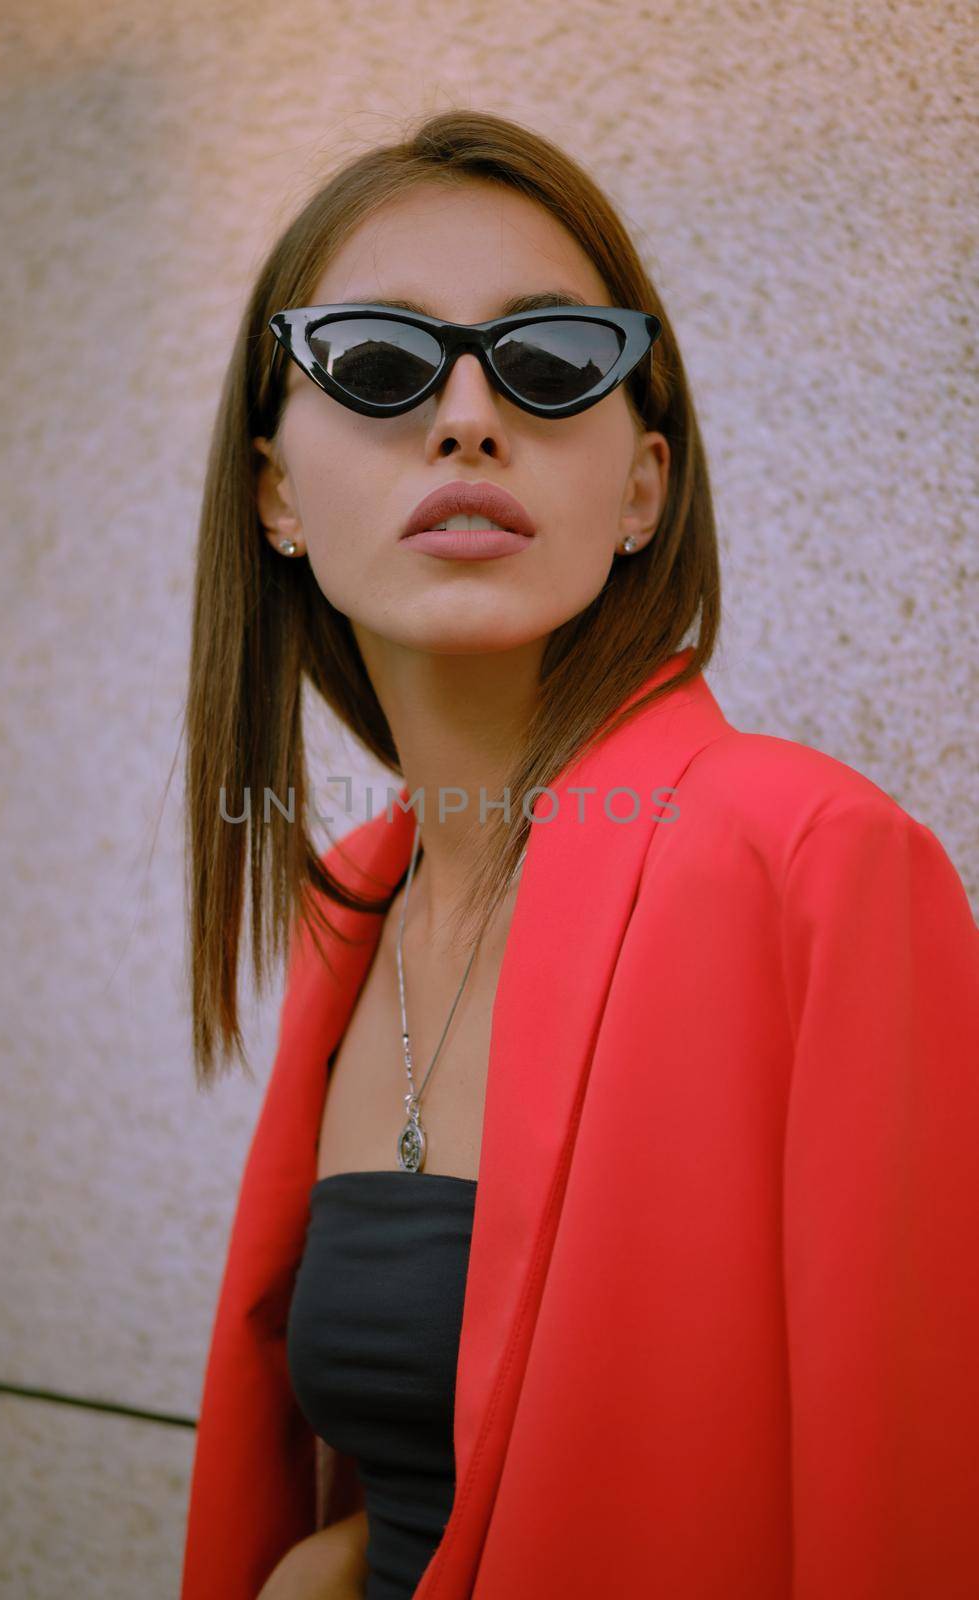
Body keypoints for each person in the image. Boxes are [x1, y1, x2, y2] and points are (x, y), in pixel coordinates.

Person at [179, 111, 979, 1600]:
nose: (470, 416)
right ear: (277, 492)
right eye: (375, 358)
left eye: (551, 360)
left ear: (643, 490)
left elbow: (907, 1517)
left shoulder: (817, 869)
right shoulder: (354, 908)